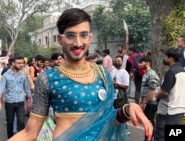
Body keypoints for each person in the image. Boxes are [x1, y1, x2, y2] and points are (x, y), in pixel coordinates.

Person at [8, 8, 152, 141]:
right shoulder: (47, 78)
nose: (78, 43)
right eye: (70, 35)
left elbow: (107, 121)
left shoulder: (102, 74)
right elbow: (30, 133)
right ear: (60, 39)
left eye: (83, 35)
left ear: (89, 38)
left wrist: (127, 110)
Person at [149, 48, 185, 141]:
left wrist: (157, 95)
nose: (164, 58)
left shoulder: (171, 72)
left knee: (161, 137)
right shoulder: (182, 71)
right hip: (179, 111)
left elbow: (164, 91)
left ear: (171, 58)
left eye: (165, 56)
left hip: (167, 112)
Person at [0, 56, 32, 139]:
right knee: (10, 122)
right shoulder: (6, 75)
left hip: (20, 102)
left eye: (22, 63)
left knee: (21, 122)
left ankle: (21, 139)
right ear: (12, 64)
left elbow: (26, 87)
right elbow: (1, 87)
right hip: (10, 102)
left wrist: (30, 98)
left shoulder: (22, 75)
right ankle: (10, 138)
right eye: (19, 63)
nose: (21, 65)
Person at [138, 56, 160, 141]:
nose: (139, 64)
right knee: (147, 122)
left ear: (147, 63)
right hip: (147, 102)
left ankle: (149, 138)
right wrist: (141, 100)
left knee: (149, 122)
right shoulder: (146, 74)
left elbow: (152, 90)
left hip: (151, 103)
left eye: (141, 62)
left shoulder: (151, 74)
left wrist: (145, 102)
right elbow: (145, 89)